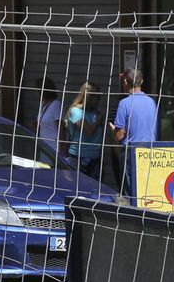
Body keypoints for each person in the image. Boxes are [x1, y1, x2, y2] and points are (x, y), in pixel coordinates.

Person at [112, 67, 158, 198]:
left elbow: (119, 135)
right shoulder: (151, 102)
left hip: (130, 153)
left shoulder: (124, 103)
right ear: (141, 81)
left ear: (126, 82)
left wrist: (112, 129)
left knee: (130, 192)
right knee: (147, 190)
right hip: (150, 151)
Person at [64, 81, 105, 179]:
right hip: (79, 156)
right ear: (87, 96)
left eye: (99, 95)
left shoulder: (96, 113)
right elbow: (89, 131)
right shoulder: (76, 111)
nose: (98, 98)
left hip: (95, 157)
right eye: (95, 95)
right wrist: (100, 119)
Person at [36, 77, 62, 149]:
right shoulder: (42, 104)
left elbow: (61, 129)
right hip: (44, 147)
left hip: (54, 147)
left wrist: (62, 150)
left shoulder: (56, 105)